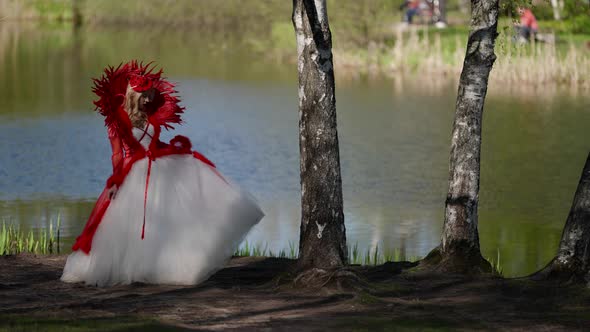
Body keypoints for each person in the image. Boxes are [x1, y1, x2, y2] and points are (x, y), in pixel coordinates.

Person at [61, 61, 264, 286]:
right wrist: (115, 180)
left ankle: (155, 266)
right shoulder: (117, 121)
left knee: (165, 219)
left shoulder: (150, 117)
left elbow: (153, 143)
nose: (149, 100)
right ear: (134, 95)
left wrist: (175, 151)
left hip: (157, 170)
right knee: (129, 224)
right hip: (132, 175)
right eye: (145, 95)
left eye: (150, 95)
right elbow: (117, 155)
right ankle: (125, 268)